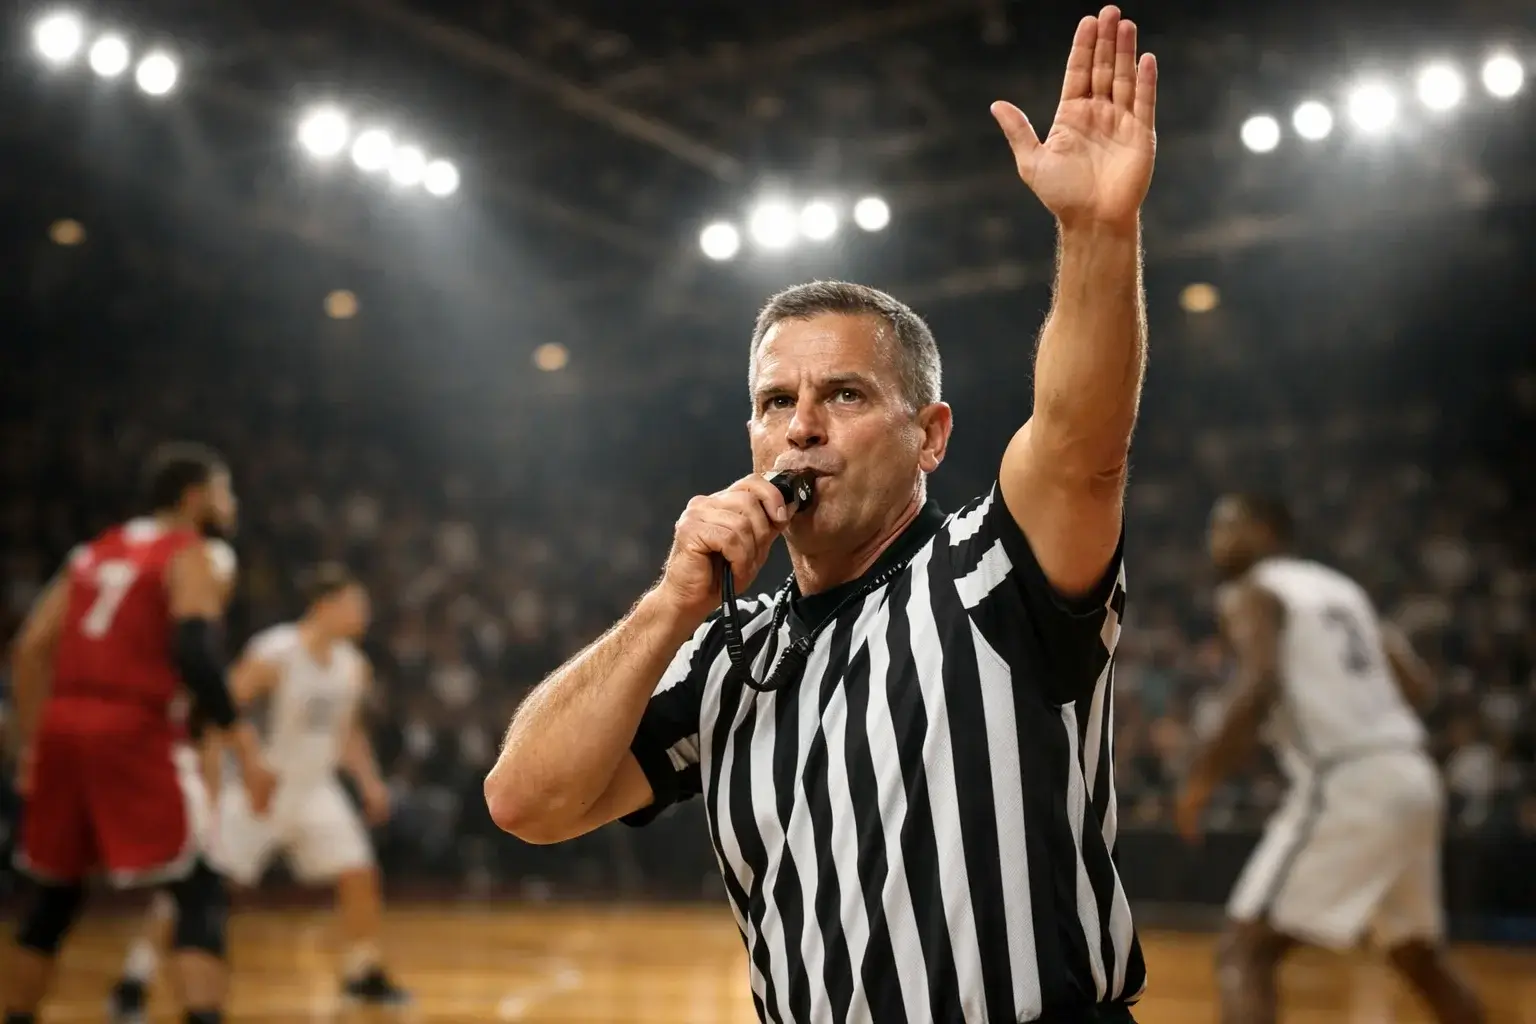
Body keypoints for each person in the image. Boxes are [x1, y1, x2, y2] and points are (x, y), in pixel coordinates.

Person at [486, 7, 1156, 1021]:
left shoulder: (990, 572)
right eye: (773, 403)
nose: (800, 427)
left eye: (842, 395)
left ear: (929, 435)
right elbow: (525, 801)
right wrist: (671, 607)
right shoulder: (724, 652)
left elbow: (1079, 444)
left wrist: (1097, 232)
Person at [1175, 494, 1486, 1024]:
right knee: (1417, 957)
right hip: (1409, 769)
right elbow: (1418, 685)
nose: (1218, 539)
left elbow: (1258, 685)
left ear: (1271, 531)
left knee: (1244, 949)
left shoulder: (1252, 591)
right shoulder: (1341, 589)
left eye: (1231, 525)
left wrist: (1200, 779)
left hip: (1350, 779)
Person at [3, 442, 276, 1024]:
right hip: (135, 729)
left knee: (54, 896)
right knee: (198, 887)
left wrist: (30, 743)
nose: (232, 503)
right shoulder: (193, 554)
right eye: (224, 490)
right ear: (194, 497)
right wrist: (243, 745)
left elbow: (29, 649)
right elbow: (196, 654)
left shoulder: (91, 554)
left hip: (61, 730)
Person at [206, 563, 408, 1006]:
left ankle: (361, 971)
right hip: (262, 785)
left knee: (359, 873)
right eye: (356, 606)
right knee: (205, 883)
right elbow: (223, 711)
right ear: (325, 606)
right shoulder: (274, 652)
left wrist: (370, 783)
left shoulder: (353, 666)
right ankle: (137, 973)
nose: (364, 616)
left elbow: (348, 732)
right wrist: (244, 770)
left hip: (315, 787)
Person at [109, 539, 238, 1024]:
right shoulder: (187, 635)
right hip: (168, 763)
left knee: (181, 886)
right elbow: (212, 718)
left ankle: (133, 981)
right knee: (194, 885)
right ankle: (155, 989)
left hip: (156, 757)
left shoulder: (152, 630)